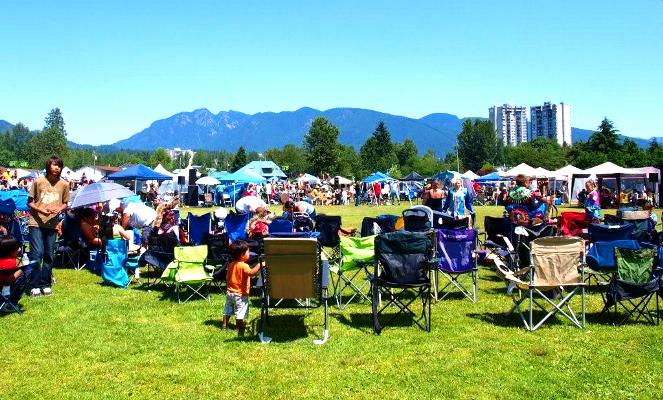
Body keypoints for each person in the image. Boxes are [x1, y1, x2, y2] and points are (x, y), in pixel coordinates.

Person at [26, 155, 70, 297]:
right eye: (54, 165)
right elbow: (30, 202)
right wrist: (40, 210)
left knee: (49, 254)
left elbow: (65, 203)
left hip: (52, 224)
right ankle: (34, 285)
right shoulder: (38, 181)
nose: (57, 168)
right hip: (36, 222)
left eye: (59, 165)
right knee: (37, 253)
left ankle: (46, 284)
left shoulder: (64, 184)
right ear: (48, 166)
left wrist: (60, 209)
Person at [222, 240, 262, 336]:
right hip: (241, 294)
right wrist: (260, 265)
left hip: (230, 292)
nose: (249, 254)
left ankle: (224, 325)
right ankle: (239, 327)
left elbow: (227, 277)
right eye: (248, 252)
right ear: (241, 255)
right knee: (240, 311)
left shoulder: (231, 264)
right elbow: (252, 273)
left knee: (228, 309)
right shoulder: (244, 265)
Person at [0, 235, 27, 312]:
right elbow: (10, 280)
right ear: (10, 251)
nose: (19, 249)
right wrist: (22, 268)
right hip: (3, 287)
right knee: (24, 276)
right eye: (17, 248)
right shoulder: (10, 262)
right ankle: (9, 304)